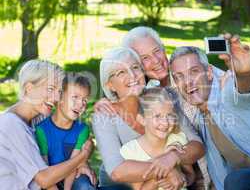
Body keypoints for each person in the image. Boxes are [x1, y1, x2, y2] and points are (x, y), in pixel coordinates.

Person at [169, 35, 250, 190]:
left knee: (237, 180)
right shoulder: (201, 119)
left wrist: (244, 74)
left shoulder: (228, 93)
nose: (188, 81)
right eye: (179, 77)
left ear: (209, 73)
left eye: (194, 71)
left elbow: (242, 92)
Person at [93, 26, 211, 189]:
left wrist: (173, 158)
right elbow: (117, 171)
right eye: (121, 72)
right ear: (110, 85)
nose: (132, 76)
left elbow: (197, 145)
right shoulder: (104, 114)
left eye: (135, 68)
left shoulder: (160, 98)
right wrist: (167, 169)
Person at [0, 60, 93, 190]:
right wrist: (82, 156)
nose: (56, 97)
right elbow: (44, 180)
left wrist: (83, 163)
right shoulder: (11, 124)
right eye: (50, 89)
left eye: (59, 91)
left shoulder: (39, 117)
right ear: (29, 88)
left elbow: (77, 133)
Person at [120, 87, 196, 190]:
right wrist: (164, 174)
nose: (165, 122)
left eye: (170, 115)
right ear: (142, 120)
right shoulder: (131, 151)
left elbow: (191, 176)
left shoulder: (178, 139)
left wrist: (181, 176)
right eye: (157, 116)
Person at [36, 72, 97, 190]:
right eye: (75, 97)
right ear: (60, 98)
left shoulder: (82, 130)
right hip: (49, 180)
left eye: (85, 100)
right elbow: (44, 170)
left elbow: (73, 165)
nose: (81, 104)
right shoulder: (42, 130)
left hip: (72, 176)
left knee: (85, 185)